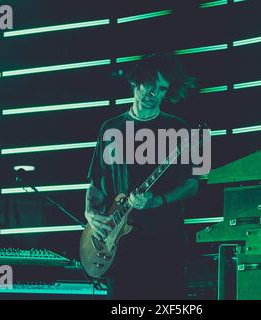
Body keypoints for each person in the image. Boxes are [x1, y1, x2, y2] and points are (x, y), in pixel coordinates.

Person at [84, 53, 198, 299]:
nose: (154, 94)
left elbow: (194, 184)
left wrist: (159, 200)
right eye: (150, 86)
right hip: (118, 245)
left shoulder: (181, 128)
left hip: (164, 240)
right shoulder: (109, 128)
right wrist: (90, 214)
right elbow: (95, 184)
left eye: (162, 89)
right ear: (136, 82)